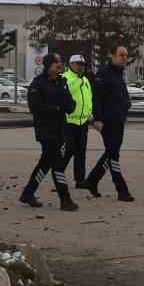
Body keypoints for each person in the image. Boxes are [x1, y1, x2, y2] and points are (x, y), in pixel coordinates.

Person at [20, 53, 78, 211]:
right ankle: (65, 200)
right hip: (46, 131)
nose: (60, 65)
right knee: (58, 164)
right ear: (48, 65)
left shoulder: (62, 81)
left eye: (60, 62)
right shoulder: (38, 84)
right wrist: (56, 108)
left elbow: (70, 105)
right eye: (56, 62)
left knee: (45, 163)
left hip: (60, 130)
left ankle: (28, 193)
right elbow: (35, 107)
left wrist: (67, 105)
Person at [83, 42, 135, 201]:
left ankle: (92, 180)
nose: (125, 58)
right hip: (107, 121)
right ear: (113, 56)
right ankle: (122, 189)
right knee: (113, 154)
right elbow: (96, 97)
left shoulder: (119, 73)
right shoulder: (104, 73)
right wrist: (97, 119)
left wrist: (127, 104)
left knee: (112, 153)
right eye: (121, 55)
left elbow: (119, 95)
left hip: (119, 120)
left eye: (126, 55)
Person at [62, 54, 94, 187]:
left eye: (82, 65)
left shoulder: (85, 80)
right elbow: (67, 93)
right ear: (71, 64)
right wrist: (78, 80)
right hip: (69, 122)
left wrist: (90, 114)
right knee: (68, 151)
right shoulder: (65, 78)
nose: (81, 67)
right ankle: (58, 175)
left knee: (81, 152)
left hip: (83, 122)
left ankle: (80, 180)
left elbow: (88, 98)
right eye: (78, 64)